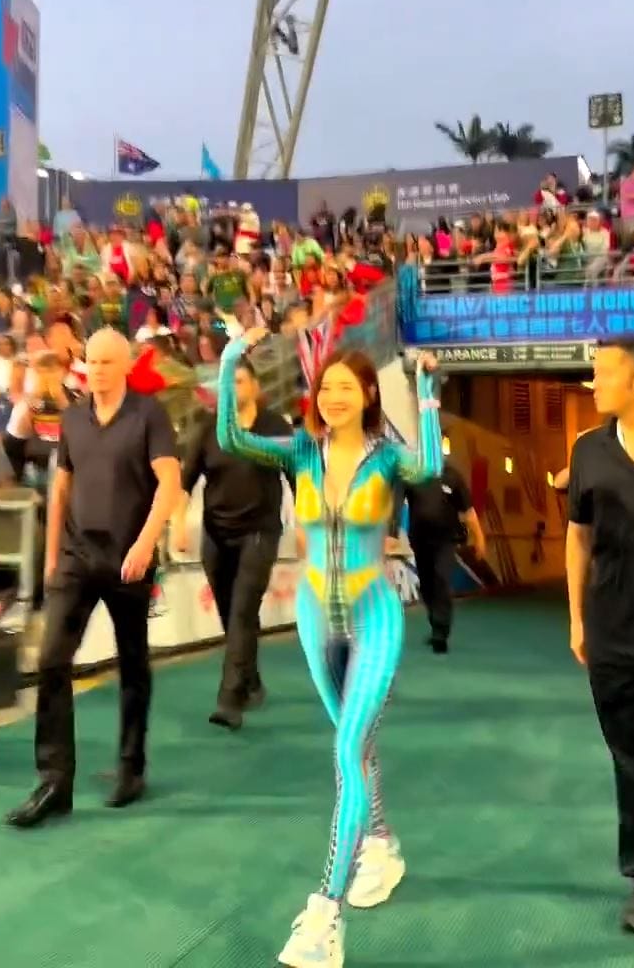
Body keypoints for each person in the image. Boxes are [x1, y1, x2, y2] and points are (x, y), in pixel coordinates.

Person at [216, 327, 443, 968]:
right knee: (357, 746)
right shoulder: (299, 451)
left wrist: (427, 389)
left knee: (346, 750)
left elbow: (430, 465)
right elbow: (231, 438)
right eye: (325, 388)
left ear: (368, 394)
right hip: (315, 617)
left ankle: (325, 914)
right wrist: (233, 358)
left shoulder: (388, 458)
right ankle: (381, 844)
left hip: (375, 616)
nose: (333, 397)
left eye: (346, 387)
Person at [6, 328, 181, 829]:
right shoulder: (73, 418)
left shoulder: (149, 415)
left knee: (133, 661)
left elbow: (169, 482)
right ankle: (53, 781)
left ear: (125, 365)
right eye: (92, 361)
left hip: (129, 558)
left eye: (108, 361)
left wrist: (146, 543)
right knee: (51, 661)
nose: (99, 369)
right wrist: (51, 556)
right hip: (76, 556)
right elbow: (61, 487)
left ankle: (131, 766)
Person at [566, 337, 634, 936]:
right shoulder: (589, 450)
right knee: (633, 760)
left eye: (604, 373)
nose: (594, 383)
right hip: (615, 637)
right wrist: (577, 618)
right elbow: (578, 536)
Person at [171, 353, 293, 730]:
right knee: (231, 613)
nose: (233, 389)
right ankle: (250, 679)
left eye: (239, 382)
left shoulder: (275, 427)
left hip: (260, 531)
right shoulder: (209, 428)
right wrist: (178, 523)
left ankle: (229, 699)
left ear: (255, 386)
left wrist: (306, 523)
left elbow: (298, 474)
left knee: (242, 610)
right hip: (216, 534)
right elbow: (185, 482)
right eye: (228, 384)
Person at [394, 456, 486, 654]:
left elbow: (468, 510)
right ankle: (436, 624)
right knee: (427, 585)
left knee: (441, 579)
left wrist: (479, 537)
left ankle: (441, 634)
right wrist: (390, 533)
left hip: (446, 539)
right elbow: (395, 504)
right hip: (420, 539)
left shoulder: (452, 475)